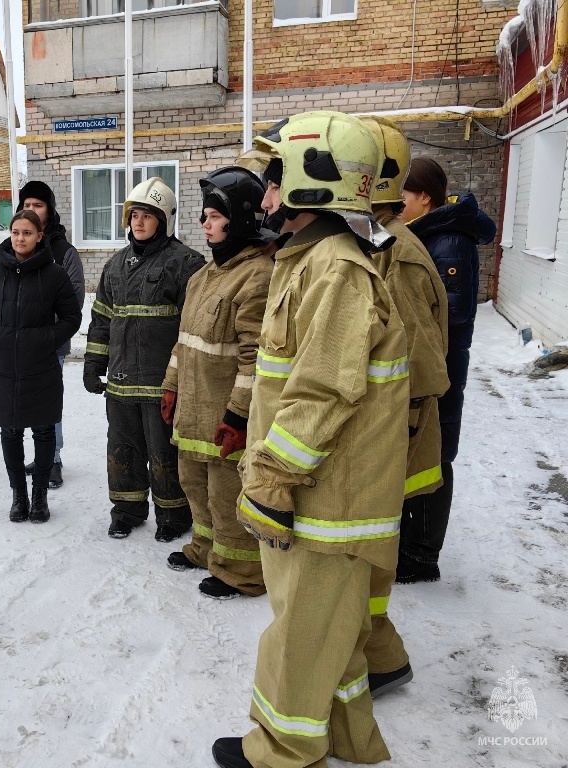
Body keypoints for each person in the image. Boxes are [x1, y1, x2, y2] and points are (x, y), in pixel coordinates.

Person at [212, 111, 409, 768]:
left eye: (272, 184)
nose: (263, 200)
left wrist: (271, 477)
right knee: (330, 637)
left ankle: (282, 751)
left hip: (329, 498)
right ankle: (349, 739)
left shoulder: (336, 270)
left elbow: (324, 388)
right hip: (319, 491)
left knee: (300, 635)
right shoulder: (311, 261)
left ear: (310, 185)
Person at [361, 118, 450, 698]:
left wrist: (393, 432)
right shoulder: (378, 242)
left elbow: (418, 364)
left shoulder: (402, 254)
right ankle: (379, 654)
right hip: (382, 429)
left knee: (371, 551)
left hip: (393, 430)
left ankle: (380, 657)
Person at [162, 166, 274, 600]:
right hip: (194, 407)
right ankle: (206, 548)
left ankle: (241, 571)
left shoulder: (257, 277)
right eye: (204, 215)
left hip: (224, 412)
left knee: (227, 490)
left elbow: (255, 357)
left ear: (241, 220)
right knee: (194, 484)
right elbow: (184, 343)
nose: (204, 224)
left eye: (213, 215)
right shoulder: (203, 277)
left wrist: (238, 414)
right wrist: (171, 386)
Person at [83, 178, 205, 541]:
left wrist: (181, 379)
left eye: (147, 215)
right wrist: (93, 364)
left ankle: (173, 517)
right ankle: (127, 511)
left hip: (162, 385)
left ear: (163, 220)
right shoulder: (116, 265)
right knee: (123, 450)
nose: (138, 222)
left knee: (165, 452)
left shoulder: (185, 263)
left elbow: (193, 330)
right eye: (134, 215)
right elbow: (102, 319)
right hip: (121, 384)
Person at [397, 157, 496, 583]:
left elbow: (446, 324)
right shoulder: (430, 235)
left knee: (435, 456)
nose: (397, 203)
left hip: (443, 372)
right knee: (422, 451)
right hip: (432, 369)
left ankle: (421, 556)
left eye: (402, 194)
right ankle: (413, 544)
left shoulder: (449, 242)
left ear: (425, 197)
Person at [0, 209, 82, 523]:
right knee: (10, 431)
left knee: (44, 431)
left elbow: (72, 317)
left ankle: (40, 498)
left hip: (41, 367)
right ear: (10, 234)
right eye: (16, 232)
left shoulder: (55, 274)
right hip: (3, 368)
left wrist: (46, 339)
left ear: (39, 236)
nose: (21, 238)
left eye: (27, 233)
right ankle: (19, 496)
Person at [17, 181, 86, 489]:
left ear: (50, 210)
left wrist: (48, 332)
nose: (31, 211)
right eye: (26, 205)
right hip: (18, 344)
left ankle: (53, 459)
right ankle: (40, 455)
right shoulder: (14, 249)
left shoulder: (63, 251)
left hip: (50, 344)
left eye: (38, 205)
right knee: (25, 402)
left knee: (48, 402)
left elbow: (74, 300)